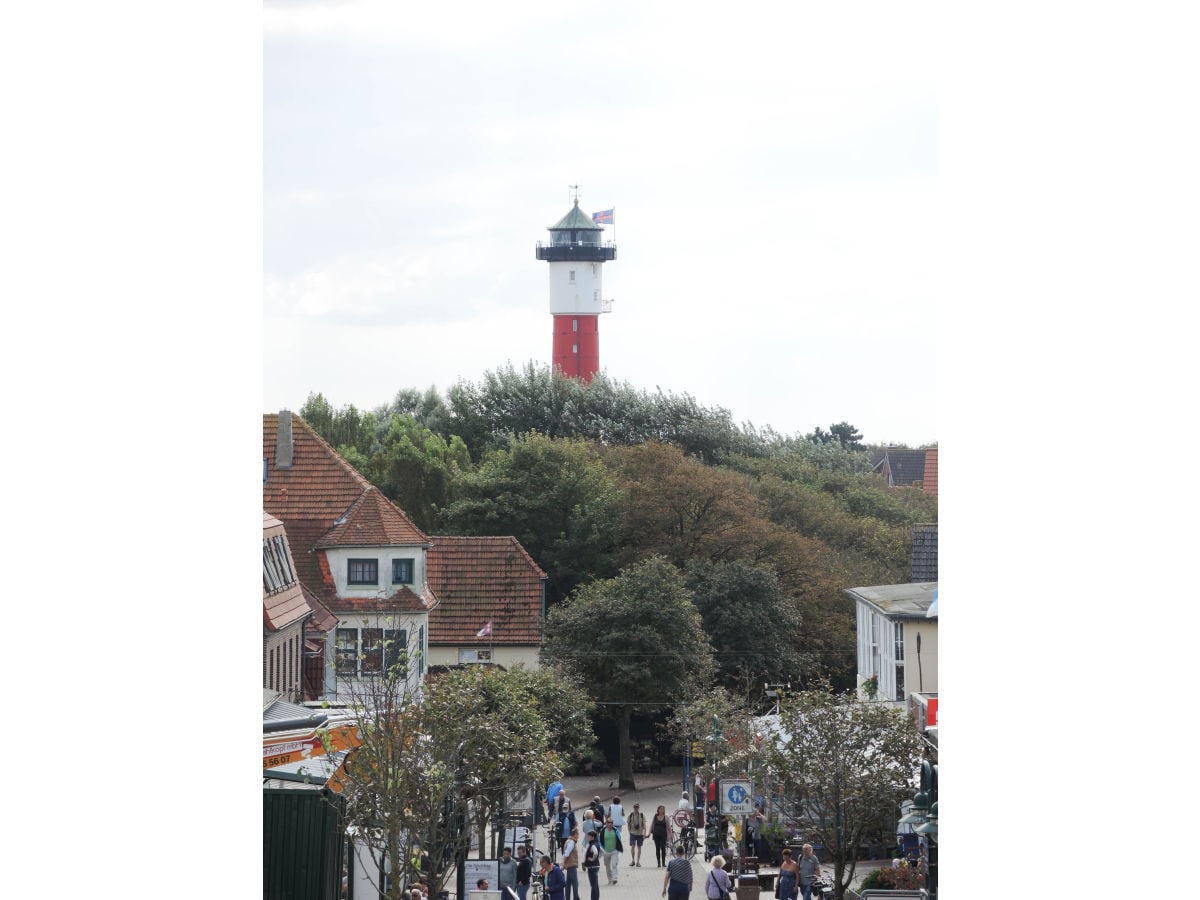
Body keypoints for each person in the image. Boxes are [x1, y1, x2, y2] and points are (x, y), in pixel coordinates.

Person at [596, 815, 624, 885]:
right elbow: (599, 841)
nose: (610, 824)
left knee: (614, 864)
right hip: (606, 851)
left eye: (611, 822)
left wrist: (619, 847)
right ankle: (610, 879)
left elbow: (619, 838)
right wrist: (602, 849)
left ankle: (615, 878)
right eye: (608, 822)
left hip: (614, 851)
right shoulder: (602, 831)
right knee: (607, 866)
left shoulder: (615, 830)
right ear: (606, 823)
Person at [582, 830, 602, 900]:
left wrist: (593, 859)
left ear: (592, 837)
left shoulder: (593, 845)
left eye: (589, 836)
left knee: (593, 885)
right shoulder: (597, 843)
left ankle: (594, 898)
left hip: (592, 866)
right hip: (595, 866)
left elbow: (596, 853)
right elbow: (602, 851)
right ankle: (596, 897)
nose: (588, 837)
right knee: (595, 884)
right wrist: (597, 858)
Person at [563, 827, 581, 900]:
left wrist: (564, 864)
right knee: (575, 883)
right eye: (578, 834)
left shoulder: (568, 841)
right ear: (575, 834)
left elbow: (565, 853)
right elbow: (567, 853)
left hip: (569, 865)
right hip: (572, 865)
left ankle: (567, 898)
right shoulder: (572, 842)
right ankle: (576, 898)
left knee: (568, 884)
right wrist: (563, 864)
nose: (579, 835)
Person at [626, 801, 646, 867]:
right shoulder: (630, 815)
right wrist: (629, 832)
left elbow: (644, 825)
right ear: (633, 807)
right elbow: (628, 824)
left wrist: (644, 834)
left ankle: (638, 861)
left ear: (639, 807)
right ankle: (633, 860)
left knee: (639, 847)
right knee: (632, 846)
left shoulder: (642, 815)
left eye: (637, 807)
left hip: (640, 833)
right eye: (635, 807)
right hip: (633, 833)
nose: (636, 808)